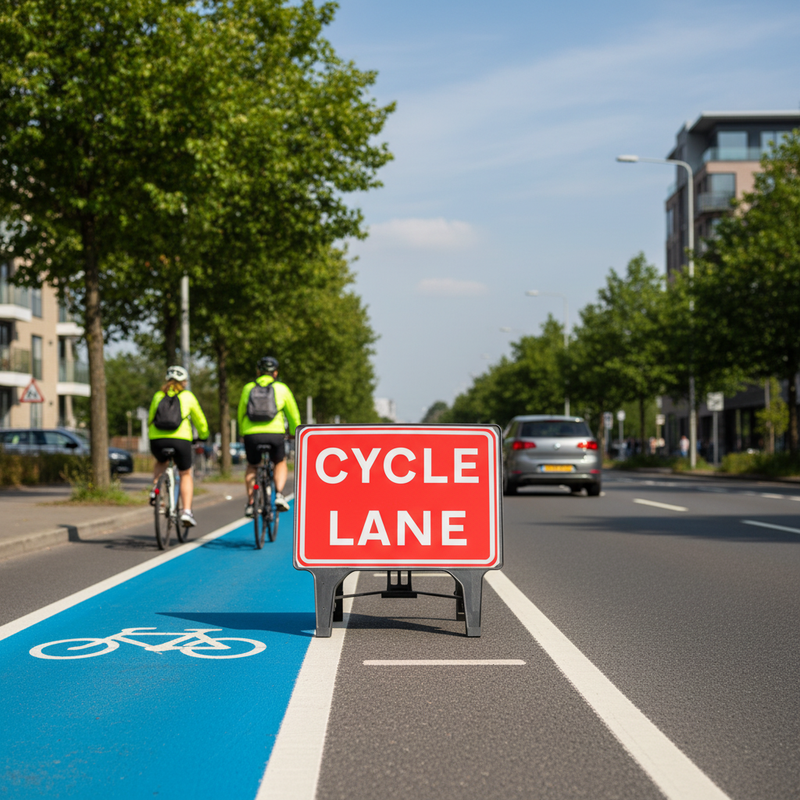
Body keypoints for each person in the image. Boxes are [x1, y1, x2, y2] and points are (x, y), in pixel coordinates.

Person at [237, 355, 301, 517]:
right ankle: (279, 494)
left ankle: (251, 503)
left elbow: (241, 413)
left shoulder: (248, 388)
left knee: (252, 465)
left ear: (258, 371)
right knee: (279, 462)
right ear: (275, 373)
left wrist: (242, 432)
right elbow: (293, 415)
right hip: (275, 433)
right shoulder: (282, 388)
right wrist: (295, 433)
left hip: (252, 434)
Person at [148, 365, 209, 527]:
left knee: (161, 462)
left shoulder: (158, 396)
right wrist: (203, 436)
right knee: (185, 473)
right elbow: (200, 420)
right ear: (184, 382)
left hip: (157, 439)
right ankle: (186, 512)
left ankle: (156, 491)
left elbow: (150, 419)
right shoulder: (188, 397)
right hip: (180, 440)